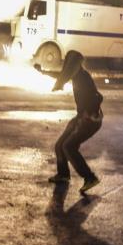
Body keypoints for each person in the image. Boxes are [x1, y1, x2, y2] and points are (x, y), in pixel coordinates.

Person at [35, 50, 103, 194]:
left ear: (76, 65)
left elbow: (98, 97)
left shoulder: (84, 78)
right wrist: (43, 72)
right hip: (81, 117)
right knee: (60, 145)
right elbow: (61, 75)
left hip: (90, 121)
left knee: (69, 146)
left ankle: (90, 178)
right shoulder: (76, 75)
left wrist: (90, 113)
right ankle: (63, 175)